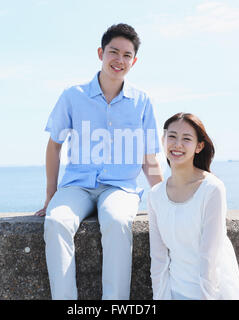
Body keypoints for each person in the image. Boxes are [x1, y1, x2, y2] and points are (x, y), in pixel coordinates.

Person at [35, 23, 164, 300]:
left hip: (120, 188)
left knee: (117, 222)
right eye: (113, 52)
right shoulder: (73, 96)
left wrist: (162, 199)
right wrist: (50, 195)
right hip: (76, 186)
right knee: (56, 221)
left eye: (127, 55)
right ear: (100, 53)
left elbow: (149, 157)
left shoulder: (142, 102)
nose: (119, 60)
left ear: (134, 60)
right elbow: (54, 146)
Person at [147, 112, 239, 300]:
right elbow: (158, 259)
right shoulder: (155, 195)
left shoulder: (212, 188)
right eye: (172, 137)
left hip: (214, 293)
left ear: (199, 146)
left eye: (187, 139)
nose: (177, 145)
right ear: (163, 140)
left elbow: (210, 256)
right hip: (175, 292)